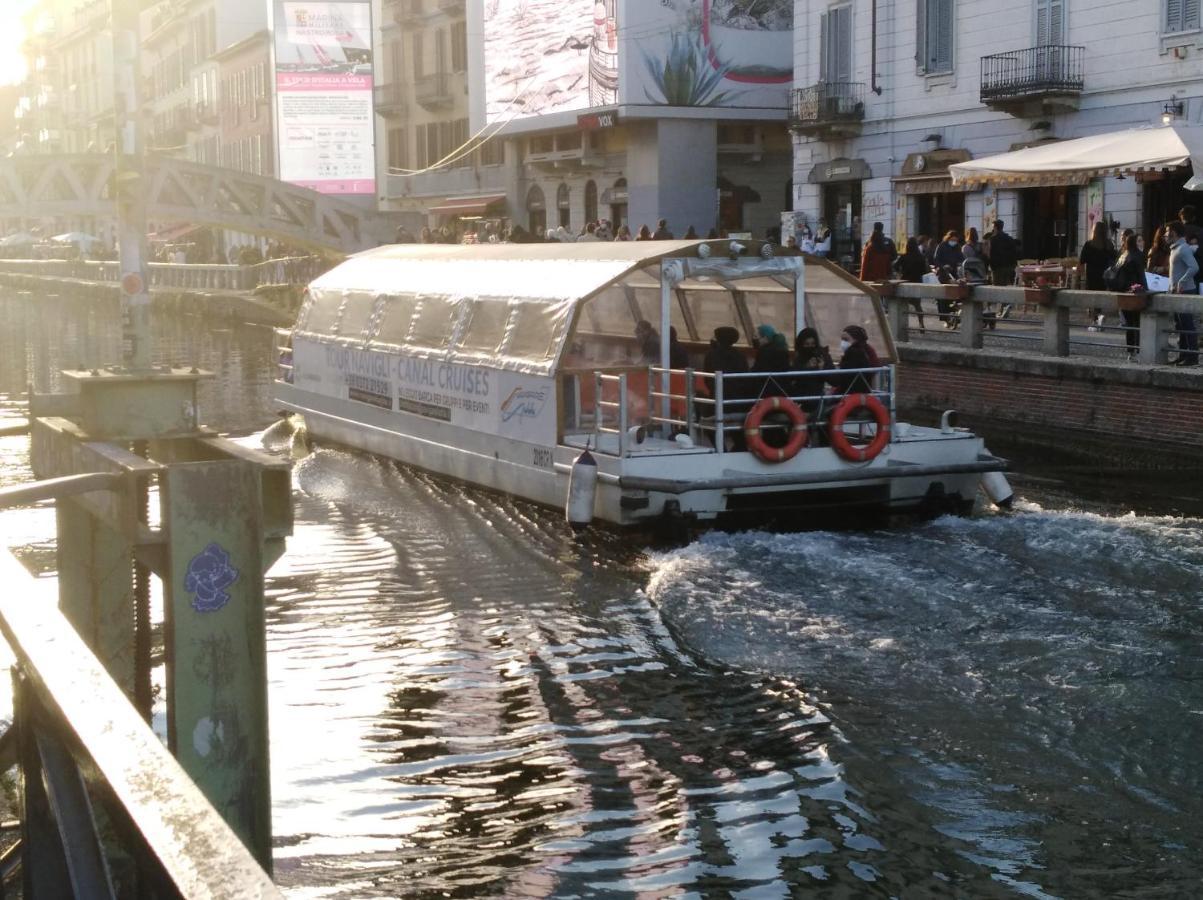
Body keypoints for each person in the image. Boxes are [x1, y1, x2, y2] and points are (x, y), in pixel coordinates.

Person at [700, 326, 749, 449]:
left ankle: (721, 449)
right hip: (738, 400)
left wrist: (715, 390)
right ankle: (740, 448)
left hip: (718, 399)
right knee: (737, 429)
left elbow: (708, 378)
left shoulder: (711, 355)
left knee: (708, 424)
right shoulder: (740, 356)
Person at [1168, 220, 1199, 365]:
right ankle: (1183, 354)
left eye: (1167, 231)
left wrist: (1181, 281)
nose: (1165, 234)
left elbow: (1194, 267)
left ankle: (1192, 357)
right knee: (1180, 325)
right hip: (1177, 292)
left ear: (1173, 232)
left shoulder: (1183, 248)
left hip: (1185, 291)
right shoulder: (1176, 248)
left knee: (1187, 324)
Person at [1113, 232, 1146, 359]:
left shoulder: (1123, 255)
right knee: (1136, 323)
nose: (1141, 243)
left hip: (1123, 291)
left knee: (1129, 324)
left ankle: (1130, 351)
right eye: (1139, 241)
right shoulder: (1137, 256)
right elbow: (1141, 275)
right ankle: (1137, 350)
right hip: (1135, 291)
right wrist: (1146, 290)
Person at [1079, 221, 1117, 330]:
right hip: (1105, 275)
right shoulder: (1109, 244)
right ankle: (1099, 316)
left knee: (1093, 298)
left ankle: (1096, 319)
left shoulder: (1089, 244)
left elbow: (1082, 261)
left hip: (1092, 275)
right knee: (1101, 296)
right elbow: (1115, 259)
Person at [792, 327, 834, 411]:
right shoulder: (798, 357)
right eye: (806, 344)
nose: (810, 347)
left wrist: (822, 369)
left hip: (817, 398)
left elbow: (834, 380)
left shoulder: (822, 355)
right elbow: (793, 376)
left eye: (812, 344)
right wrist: (806, 367)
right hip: (800, 399)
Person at [833, 325, 881, 394]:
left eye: (846, 339)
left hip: (852, 392)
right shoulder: (861, 350)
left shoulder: (856, 352)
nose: (843, 343)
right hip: (859, 391)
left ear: (856, 339)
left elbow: (842, 377)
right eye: (842, 339)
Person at [895, 236, 929, 332]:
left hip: (905, 282)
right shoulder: (921, 257)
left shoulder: (904, 256)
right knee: (918, 305)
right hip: (917, 282)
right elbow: (924, 270)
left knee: (902, 304)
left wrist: (900, 272)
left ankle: (902, 326)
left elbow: (895, 266)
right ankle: (921, 324)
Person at [932, 230, 963, 327]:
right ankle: (945, 318)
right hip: (943, 274)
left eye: (955, 240)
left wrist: (959, 265)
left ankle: (955, 316)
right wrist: (943, 266)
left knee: (955, 296)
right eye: (952, 239)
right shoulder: (941, 246)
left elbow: (961, 258)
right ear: (948, 238)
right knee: (943, 298)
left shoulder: (957, 247)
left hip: (954, 274)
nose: (954, 242)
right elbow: (936, 259)